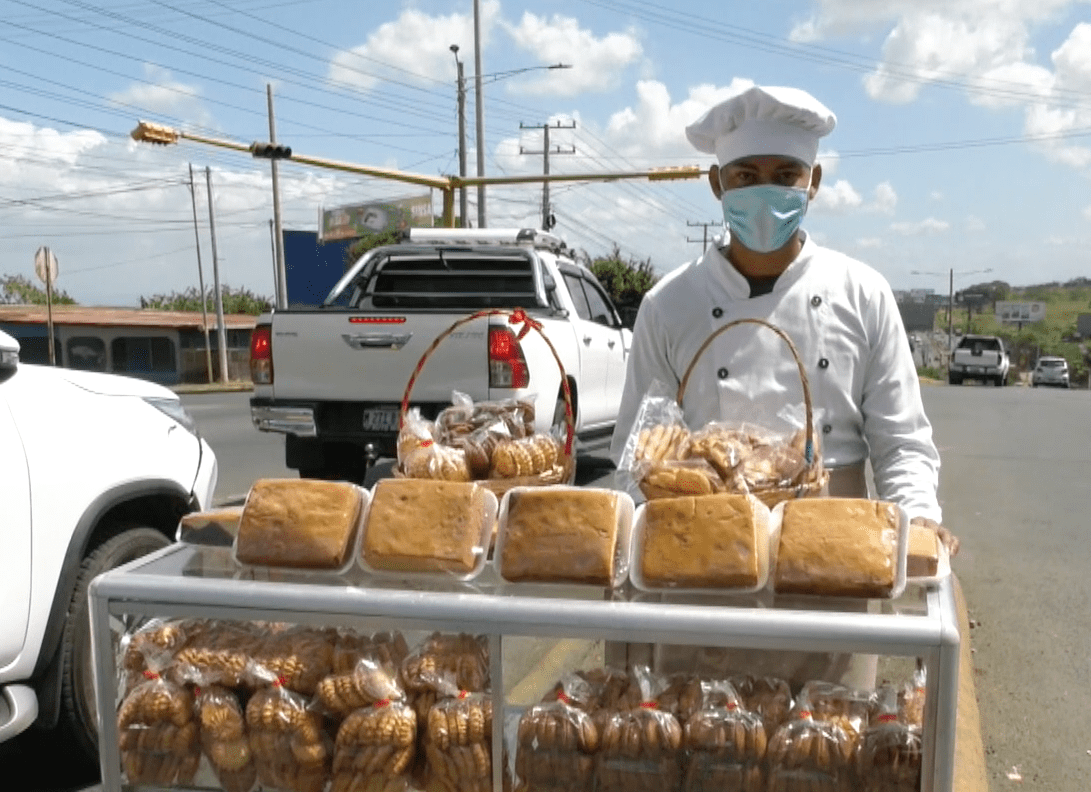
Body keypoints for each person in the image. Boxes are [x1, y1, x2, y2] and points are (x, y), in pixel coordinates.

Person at [608, 84, 958, 688]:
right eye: (745, 175)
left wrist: (920, 523)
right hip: (702, 570)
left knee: (827, 754)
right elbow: (639, 460)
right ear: (717, 186)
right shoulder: (669, 305)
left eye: (785, 173)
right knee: (707, 751)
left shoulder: (863, 293)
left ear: (813, 181)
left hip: (835, 562)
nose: (764, 190)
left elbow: (900, 441)